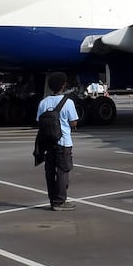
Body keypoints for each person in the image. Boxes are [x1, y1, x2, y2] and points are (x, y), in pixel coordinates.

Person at [33, 72, 79, 210]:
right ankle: (60, 201)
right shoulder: (68, 102)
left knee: (50, 171)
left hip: (48, 142)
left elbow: (39, 121)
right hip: (63, 142)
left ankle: (53, 199)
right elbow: (73, 123)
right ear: (64, 85)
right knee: (63, 171)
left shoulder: (43, 102)